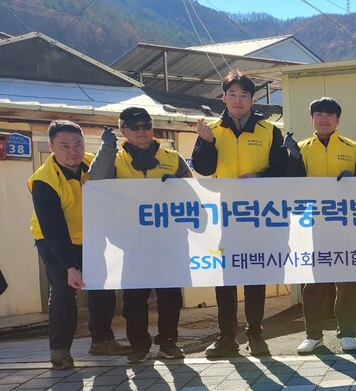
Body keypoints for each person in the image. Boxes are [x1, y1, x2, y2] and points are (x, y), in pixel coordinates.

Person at [192, 70, 294, 358]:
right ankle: (226, 336)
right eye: (232, 94)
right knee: (224, 278)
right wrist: (206, 142)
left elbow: (281, 169)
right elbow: (202, 168)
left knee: (255, 274)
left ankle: (256, 333)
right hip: (222, 216)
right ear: (223, 97)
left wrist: (260, 178)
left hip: (257, 217)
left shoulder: (269, 131)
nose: (238, 100)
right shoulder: (212, 129)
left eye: (244, 95)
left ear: (252, 99)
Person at [89, 107, 191, 364]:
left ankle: (168, 341)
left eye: (146, 125)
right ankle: (139, 344)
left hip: (168, 242)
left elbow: (193, 195)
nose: (142, 131)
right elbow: (96, 182)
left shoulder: (173, 158)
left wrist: (178, 188)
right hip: (131, 243)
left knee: (170, 296)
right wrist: (106, 150)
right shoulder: (114, 159)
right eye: (135, 127)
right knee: (134, 298)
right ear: (123, 130)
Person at [29, 120, 127, 370]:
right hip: (53, 240)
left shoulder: (93, 164)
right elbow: (54, 230)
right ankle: (60, 351)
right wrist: (71, 266)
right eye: (64, 146)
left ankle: (102, 341)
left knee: (102, 288)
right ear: (51, 147)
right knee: (64, 290)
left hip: (91, 236)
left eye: (78, 144)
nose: (73, 151)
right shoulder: (44, 181)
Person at [290, 97, 356, 354]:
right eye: (319, 113)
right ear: (312, 118)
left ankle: (347, 332)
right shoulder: (298, 149)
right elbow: (289, 185)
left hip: (345, 226)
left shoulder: (353, 148)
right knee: (313, 282)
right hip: (311, 226)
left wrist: (355, 180)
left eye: (330, 114)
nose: (324, 118)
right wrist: (288, 158)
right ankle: (313, 335)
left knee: (346, 281)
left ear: (338, 120)